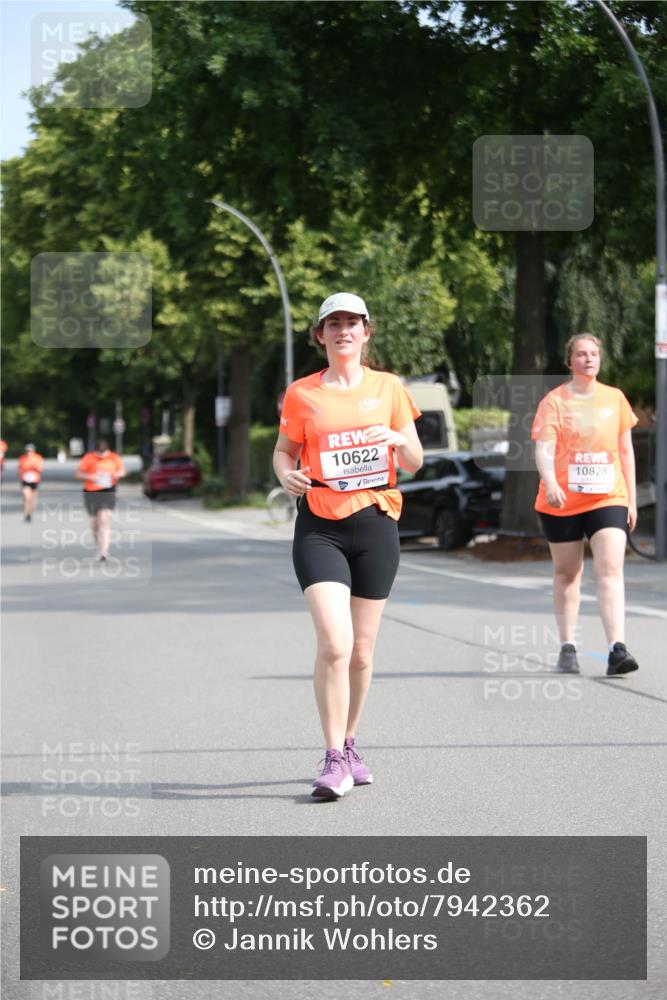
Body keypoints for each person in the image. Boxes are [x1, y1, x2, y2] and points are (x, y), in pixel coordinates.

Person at [273, 292, 423, 800]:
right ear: (319, 335)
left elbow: (417, 460)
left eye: (352, 323)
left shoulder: (389, 388)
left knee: (361, 651)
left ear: (366, 331)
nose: (343, 331)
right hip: (320, 526)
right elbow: (282, 451)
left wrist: (397, 440)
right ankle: (334, 756)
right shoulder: (301, 394)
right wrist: (286, 475)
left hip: (377, 523)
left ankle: (352, 741)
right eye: (332, 323)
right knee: (334, 644)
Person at [532, 333, 639, 676]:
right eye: (581, 354)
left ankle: (616, 649)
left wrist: (631, 501)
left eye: (594, 354)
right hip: (562, 498)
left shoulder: (615, 399)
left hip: (609, 496)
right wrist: (549, 481)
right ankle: (568, 647)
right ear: (569, 361)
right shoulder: (555, 401)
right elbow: (544, 448)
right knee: (568, 572)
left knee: (610, 569)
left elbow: (625, 451)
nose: (589, 359)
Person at [76, 439, 126, 562]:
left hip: (108, 491)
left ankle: (104, 551)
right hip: (91, 492)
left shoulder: (114, 457)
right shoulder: (89, 458)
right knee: (94, 523)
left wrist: (116, 475)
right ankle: (99, 546)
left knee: (104, 520)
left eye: (103, 454)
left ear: (108, 451)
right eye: (99, 454)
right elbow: (78, 474)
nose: (101, 456)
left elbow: (122, 471)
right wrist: (90, 476)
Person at [17, 443, 44, 521]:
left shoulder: (38, 457)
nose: (29, 452)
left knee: (33, 498)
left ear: (33, 451)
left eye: (30, 451)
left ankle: (30, 512)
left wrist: (35, 466)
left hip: (35, 480)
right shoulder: (22, 458)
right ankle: (26, 514)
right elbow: (19, 469)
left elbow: (41, 468)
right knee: (26, 497)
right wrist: (20, 473)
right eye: (27, 451)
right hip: (25, 480)